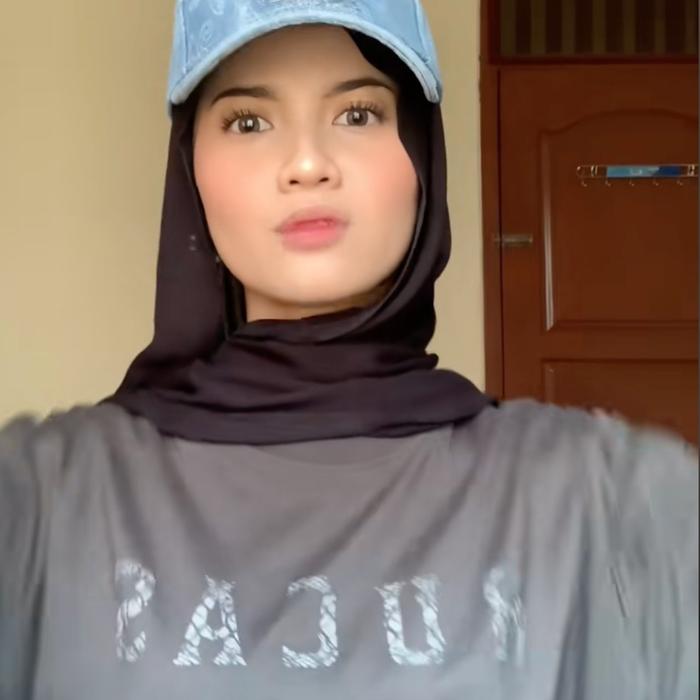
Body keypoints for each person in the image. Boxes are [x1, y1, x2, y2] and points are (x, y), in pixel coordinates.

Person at [0, 1, 697, 698]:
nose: (307, 164)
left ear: (422, 154)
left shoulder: (611, 501)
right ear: (191, 169)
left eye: (358, 113)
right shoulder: (42, 500)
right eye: (248, 121)